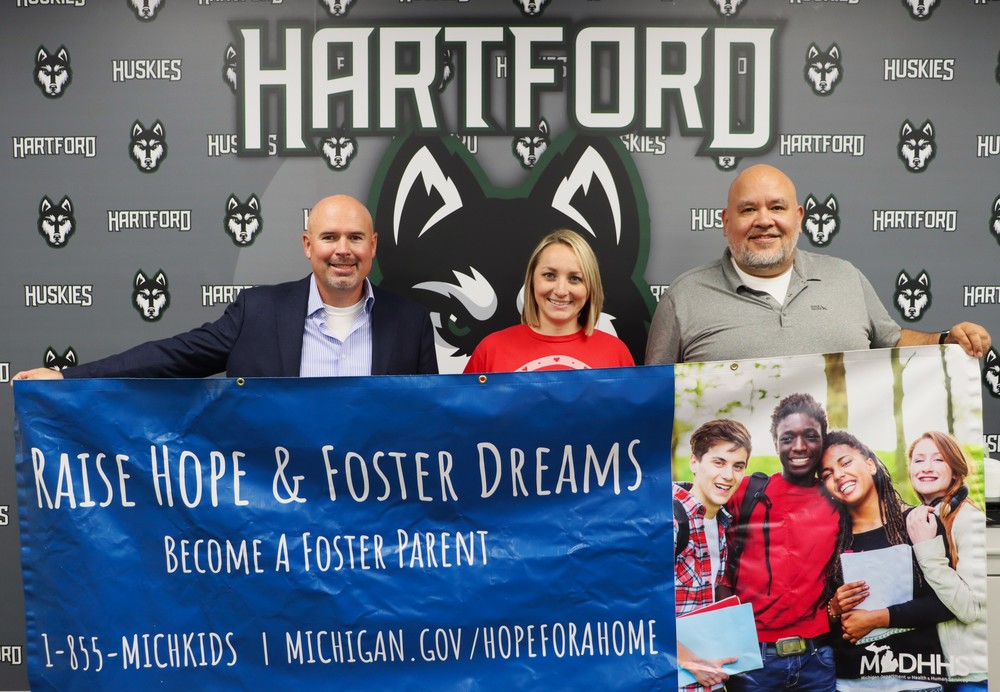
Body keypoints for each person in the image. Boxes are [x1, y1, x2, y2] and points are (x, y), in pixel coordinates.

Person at [12, 194, 438, 380]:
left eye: (355, 238)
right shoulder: (258, 311)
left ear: (373, 245)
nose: (343, 250)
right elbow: (171, 357)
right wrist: (68, 378)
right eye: (329, 238)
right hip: (275, 519)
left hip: (374, 522)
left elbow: (431, 426)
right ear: (308, 246)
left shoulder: (411, 322)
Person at [645, 164, 992, 365]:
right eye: (748, 209)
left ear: (798, 218)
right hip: (736, 487)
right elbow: (653, 401)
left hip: (840, 484)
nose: (764, 220)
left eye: (777, 208)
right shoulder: (684, 297)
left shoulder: (845, 277)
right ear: (725, 221)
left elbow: (893, 342)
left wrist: (946, 340)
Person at [720, 393, 840, 692]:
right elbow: (696, 508)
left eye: (810, 436)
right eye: (788, 438)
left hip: (819, 660)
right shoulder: (746, 491)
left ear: (822, 440)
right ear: (775, 443)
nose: (799, 446)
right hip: (752, 662)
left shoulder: (838, 500)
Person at [821, 430, 953, 691]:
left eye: (845, 462)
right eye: (826, 474)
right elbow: (817, 620)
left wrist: (878, 618)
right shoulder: (829, 539)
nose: (837, 475)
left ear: (870, 464)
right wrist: (833, 609)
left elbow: (947, 603)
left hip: (918, 682)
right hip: (851, 684)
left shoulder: (917, 523)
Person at [463, 229, 634, 373]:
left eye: (575, 279)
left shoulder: (616, 353)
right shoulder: (491, 350)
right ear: (532, 280)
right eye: (549, 275)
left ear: (590, 288)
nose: (560, 290)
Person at [673, 419, 752, 690]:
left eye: (738, 466)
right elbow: (627, 604)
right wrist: (688, 660)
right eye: (718, 462)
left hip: (706, 683)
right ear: (695, 462)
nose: (729, 475)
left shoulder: (721, 524)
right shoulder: (668, 520)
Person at [906, 432, 988, 691]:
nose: (926, 468)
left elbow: (970, 609)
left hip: (969, 676)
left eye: (938, 459)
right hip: (934, 671)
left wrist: (926, 548)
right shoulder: (924, 518)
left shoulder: (969, 520)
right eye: (919, 460)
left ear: (954, 471)